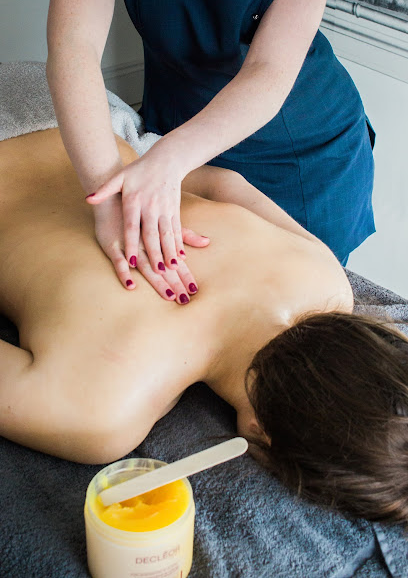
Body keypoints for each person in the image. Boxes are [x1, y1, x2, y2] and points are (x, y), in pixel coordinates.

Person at [0, 127, 407, 526]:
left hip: (68, 118)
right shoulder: (104, 415)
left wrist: (130, 177)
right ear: (260, 434)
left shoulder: (324, 278)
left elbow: (223, 183)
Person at [46, 0, 376, 295]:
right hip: (173, 130)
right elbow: (73, 44)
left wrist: (168, 161)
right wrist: (107, 201)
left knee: (305, 297)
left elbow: (269, 70)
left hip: (300, 153)